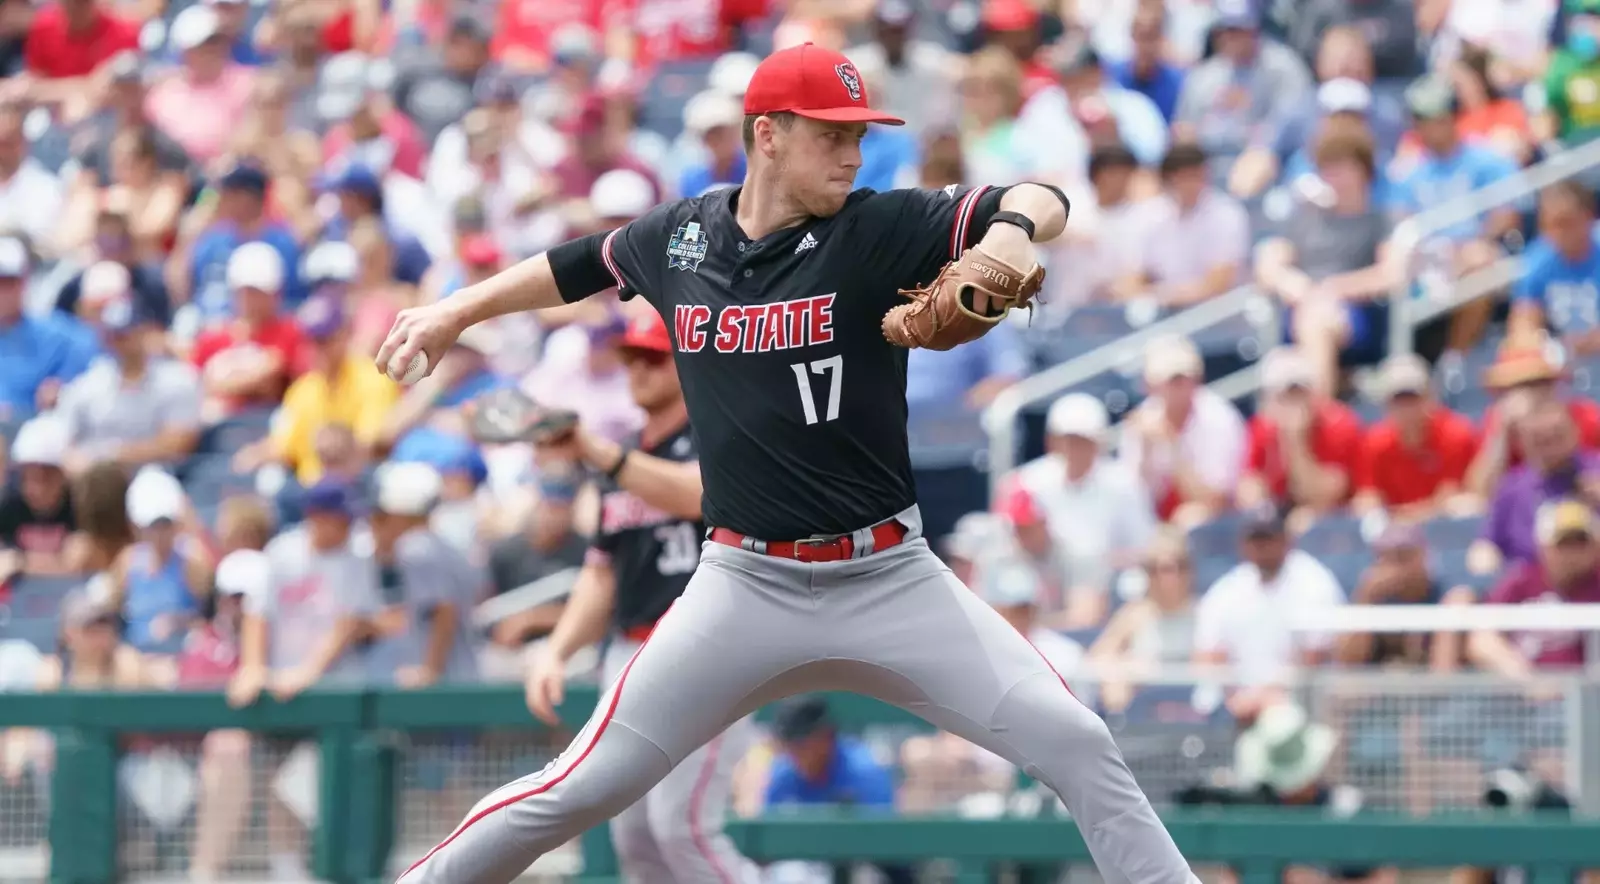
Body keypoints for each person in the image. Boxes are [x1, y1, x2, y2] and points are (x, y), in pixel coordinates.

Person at [382, 42, 1194, 884]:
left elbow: (1042, 195)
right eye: (830, 136)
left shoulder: (875, 229)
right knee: (576, 788)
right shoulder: (683, 240)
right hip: (744, 585)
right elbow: (575, 266)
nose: (852, 154)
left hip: (889, 577)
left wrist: (1015, 230)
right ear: (767, 135)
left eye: (858, 135)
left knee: (1078, 742)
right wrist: (455, 311)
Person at [525, 309, 757, 884]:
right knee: (634, 835)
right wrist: (556, 650)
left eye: (652, 357)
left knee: (683, 827)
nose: (637, 369)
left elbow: (696, 496)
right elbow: (600, 573)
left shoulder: (720, 432)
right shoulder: (622, 455)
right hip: (629, 653)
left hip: (706, 651)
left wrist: (595, 450)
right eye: (631, 357)